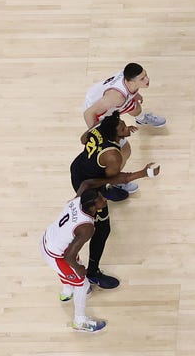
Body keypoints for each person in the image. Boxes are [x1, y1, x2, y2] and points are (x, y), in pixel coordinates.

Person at [69, 110, 162, 289]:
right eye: (122, 128)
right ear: (113, 134)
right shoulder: (113, 155)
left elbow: (83, 140)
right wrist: (144, 173)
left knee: (106, 183)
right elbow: (112, 177)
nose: (126, 128)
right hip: (89, 186)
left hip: (78, 168)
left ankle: (107, 192)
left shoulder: (97, 130)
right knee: (103, 229)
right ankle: (93, 272)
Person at [82, 63, 166, 198]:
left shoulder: (129, 77)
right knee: (124, 150)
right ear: (130, 81)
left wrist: (135, 94)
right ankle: (115, 181)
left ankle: (142, 118)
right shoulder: (117, 97)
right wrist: (100, 137)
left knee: (136, 107)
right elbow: (88, 114)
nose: (147, 80)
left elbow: (130, 88)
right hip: (99, 113)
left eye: (146, 75)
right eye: (142, 79)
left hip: (110, 101)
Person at [40, 186, 108, 333]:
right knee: (82, 284)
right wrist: (80, 270)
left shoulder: (78, 200)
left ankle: (67, 291)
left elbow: (86, 182)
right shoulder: (87, 228)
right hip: (58, 255)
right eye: (100, 200)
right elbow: (69, 256)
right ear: (92, 207)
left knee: (68, 270)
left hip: (49, 239)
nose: (104, 199)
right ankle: (80, 322)